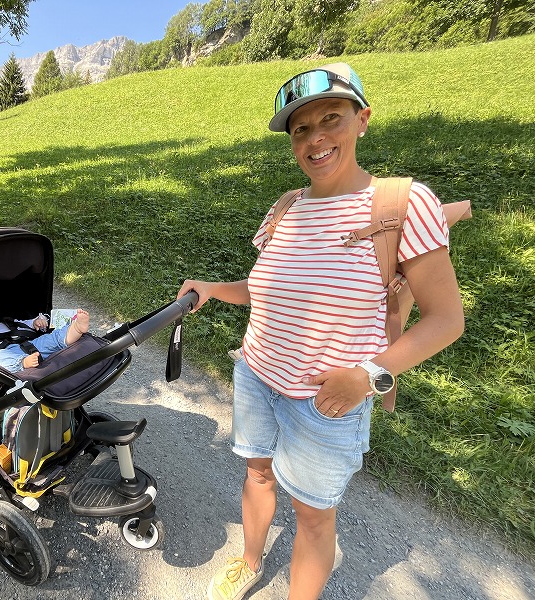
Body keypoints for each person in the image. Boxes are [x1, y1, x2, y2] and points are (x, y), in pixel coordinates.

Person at [177, 62, 464, 600]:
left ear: (363, 119)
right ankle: (249, 561)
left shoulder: (403, 204)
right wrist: (215, 288)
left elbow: (447, 320)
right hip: (257, 374)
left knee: (312, 516)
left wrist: (368, 377)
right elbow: (268, 288)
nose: (315, 138)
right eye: (301, 129)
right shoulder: (287, 207)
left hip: (327, 400)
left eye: (331, 118)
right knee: (257, 476)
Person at [0, 302, 90, 373]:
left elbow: (26, 324)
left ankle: (75, 329)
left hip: (33, 345)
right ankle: (22, 363)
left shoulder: (7, 323)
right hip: (8, 355)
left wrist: (36, 322)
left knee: (51, 338)